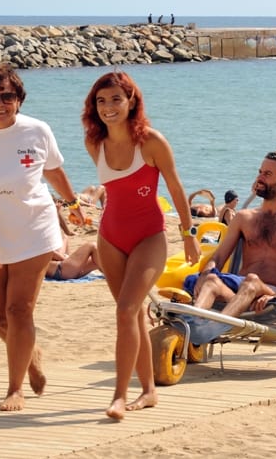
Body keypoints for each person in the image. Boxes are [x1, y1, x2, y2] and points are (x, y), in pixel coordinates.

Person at [0, 63, 84, 411]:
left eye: (8, 96)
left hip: (35, 229)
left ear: (19, 100)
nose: (0, 103)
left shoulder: (37, 131)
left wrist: (72, 203)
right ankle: (32, 357)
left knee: (19, 309)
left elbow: (52, 170)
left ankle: (14, 388)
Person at [82, 71, 200, 420]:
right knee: (129, 314)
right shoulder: (94, 143)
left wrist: (189, 234)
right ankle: (149, 392)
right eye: (101, 101)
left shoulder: (151, 141)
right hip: (110, 238)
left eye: (116, 99)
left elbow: (177, 189)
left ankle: (119, 396)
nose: (108, 107)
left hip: (150, 236)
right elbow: (113, 193)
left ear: (132, 101)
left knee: (124, 312)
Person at [184, 152, 276, 318]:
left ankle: (215, 326)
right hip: (239, 294)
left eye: (267, 174)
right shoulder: (244, 217)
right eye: (260, 172)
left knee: (252, 281)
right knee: (211, 281)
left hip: (270, 299)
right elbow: (219, 256)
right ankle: (195, 328)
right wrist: (206, 273)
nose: (260, 178)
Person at [46, 202, 101, 280]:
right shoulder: (39, 235)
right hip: (61, 270)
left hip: (64, 270)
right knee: (91, 246)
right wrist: (67, 259)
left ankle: (112, 271)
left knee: (97, 258)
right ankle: (111, 273)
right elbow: (52, 253)